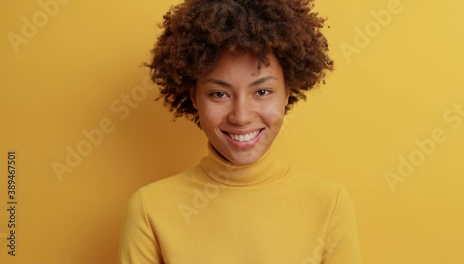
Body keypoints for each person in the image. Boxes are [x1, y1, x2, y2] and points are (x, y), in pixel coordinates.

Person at [117, 0, 361, 263]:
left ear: (287, 93)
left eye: (262, 91)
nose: (241, 116)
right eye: (219, 93)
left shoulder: (329, 205)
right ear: (195, 97)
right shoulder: (150, 209)